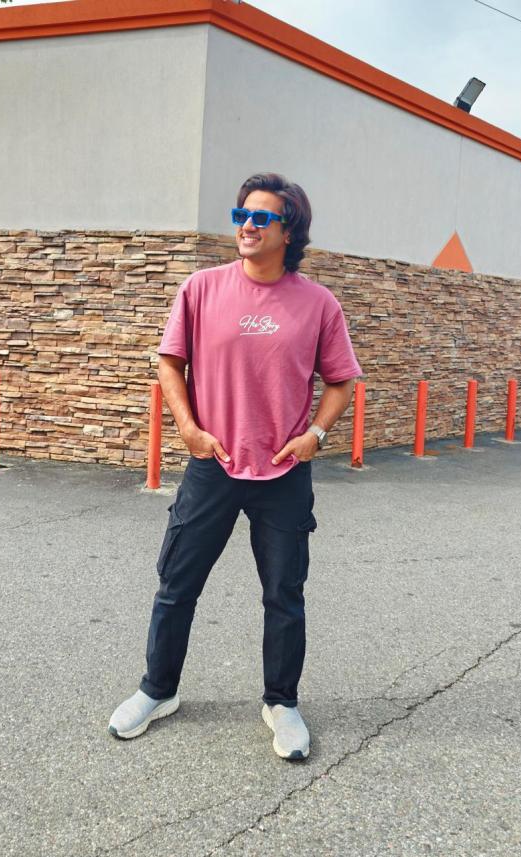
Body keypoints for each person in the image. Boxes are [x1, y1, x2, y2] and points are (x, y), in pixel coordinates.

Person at [108, 173, 361, 759]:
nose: (247, 225)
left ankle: (282, 703)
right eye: (241, 214)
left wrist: (315, 435)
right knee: (177, 585)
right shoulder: (201, 289)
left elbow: (342, 380)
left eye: (261, 217)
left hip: (283, 473)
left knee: (284, 595)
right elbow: (169, 363)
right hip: (213, 465)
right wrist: (188, 429)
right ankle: (157, 690)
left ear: (288, 231)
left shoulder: (318, 304)